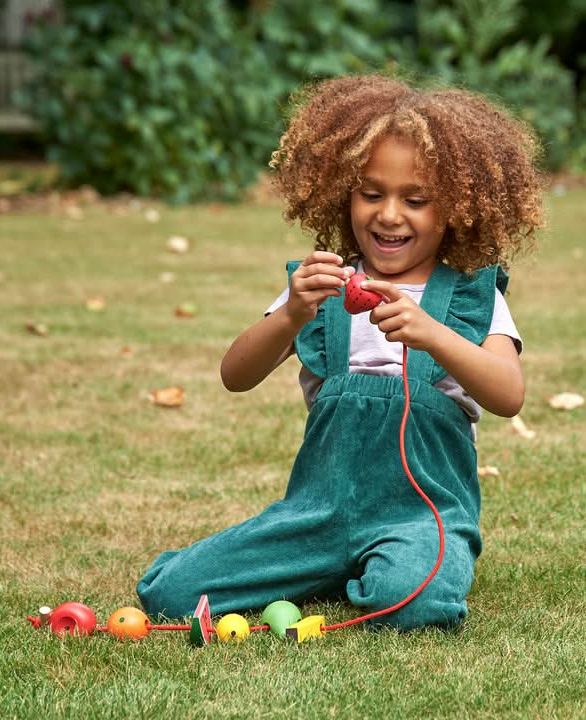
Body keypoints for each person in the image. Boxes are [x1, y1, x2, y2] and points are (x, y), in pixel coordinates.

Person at [137, 74, 544, 630]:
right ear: (344, 193)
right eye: (371, 193)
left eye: (416, 200)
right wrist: (290, 315)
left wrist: (432, 334)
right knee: (171, 593)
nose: (389, 214)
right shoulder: (322, 285)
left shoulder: (471, 296)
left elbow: (509, 394)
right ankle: (329, 565)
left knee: (414, 603)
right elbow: (236, 375)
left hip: (422, 516)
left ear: (454, 208)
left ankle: (381, 568)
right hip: (316, 515)